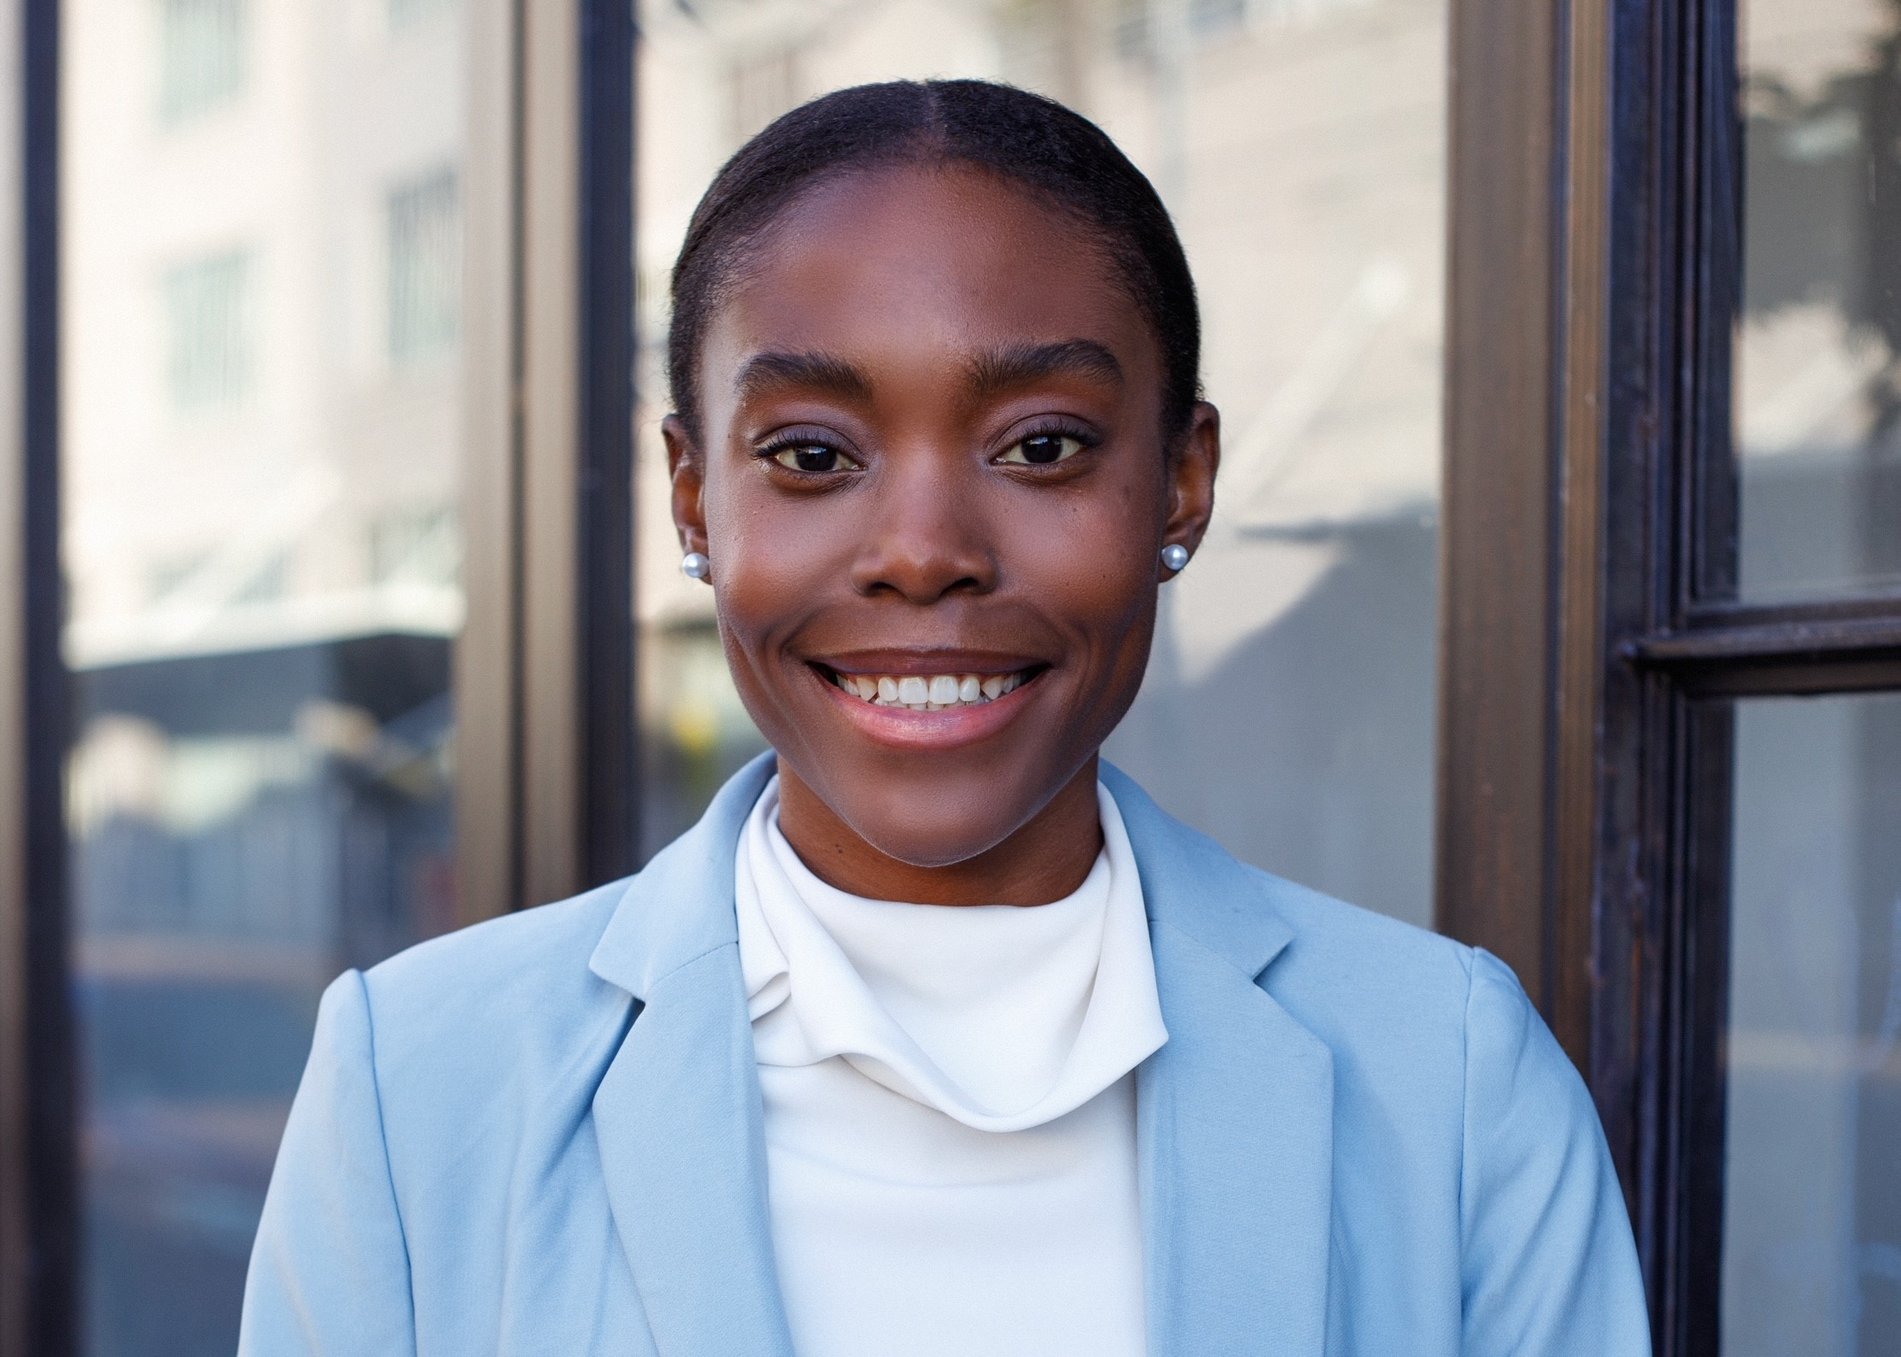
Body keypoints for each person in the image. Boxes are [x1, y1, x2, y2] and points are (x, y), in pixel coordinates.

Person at [238, 79, 1651, 1356]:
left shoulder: (1451, 1086)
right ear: (691, 499)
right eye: (810, 454)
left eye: (1041, 446)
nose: (922, 549)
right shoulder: (417, 1088)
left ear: (1179, 482)